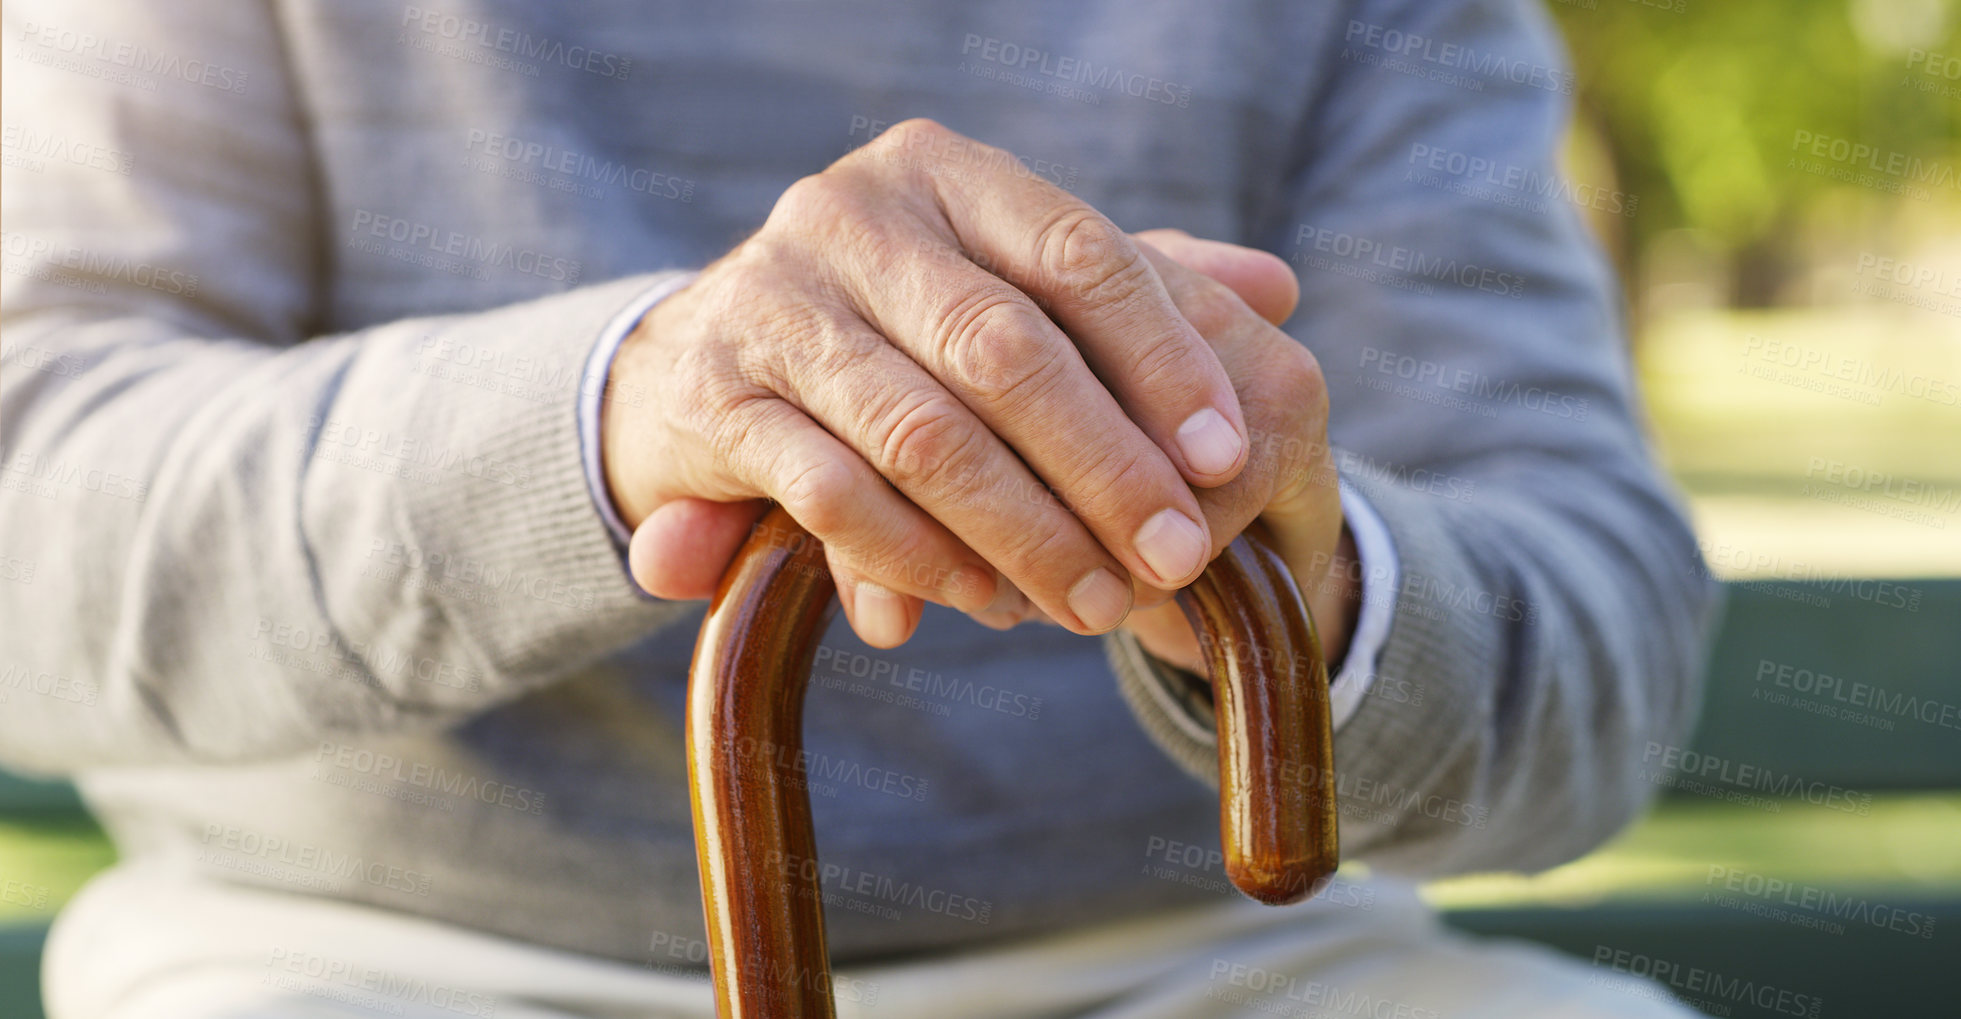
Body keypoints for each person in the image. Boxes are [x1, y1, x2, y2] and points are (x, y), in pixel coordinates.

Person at [0, 1, 1718, 1015]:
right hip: (375, 962)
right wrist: (620, 409)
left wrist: (1317, 587)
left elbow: (1594, 618)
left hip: (1224, 972)